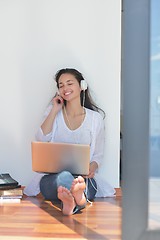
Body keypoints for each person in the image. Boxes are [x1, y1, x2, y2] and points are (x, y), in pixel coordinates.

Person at [24, 68, 115, 215]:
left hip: (83, 178)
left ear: (82, 86)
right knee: (64, 178)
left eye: (69, 83)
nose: (65, 88)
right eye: (61, 85)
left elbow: (97, 155)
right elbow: (41, 138)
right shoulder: (53, 112)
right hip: (54, 178)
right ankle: (78, 199)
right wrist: (55, 109)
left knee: (80, 182)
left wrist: (92, 167)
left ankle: (72, 203)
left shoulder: (95, 119)